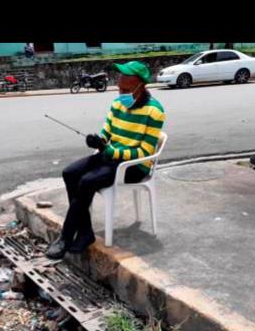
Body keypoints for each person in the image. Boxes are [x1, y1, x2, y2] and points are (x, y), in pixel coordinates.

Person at [46, 61, 165, 259]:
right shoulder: (118, 103)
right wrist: (98, 141)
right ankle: (85, 233)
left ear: (141, 85)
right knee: (70, 173)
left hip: (133, 166)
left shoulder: (154, 111)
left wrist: (113, 152)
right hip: (111, 156)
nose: (121, 93)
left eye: (126, 89)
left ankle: (66, 237)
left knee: (86, 181)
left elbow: (145, 151)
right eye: (119, 88)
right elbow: (106, 133)